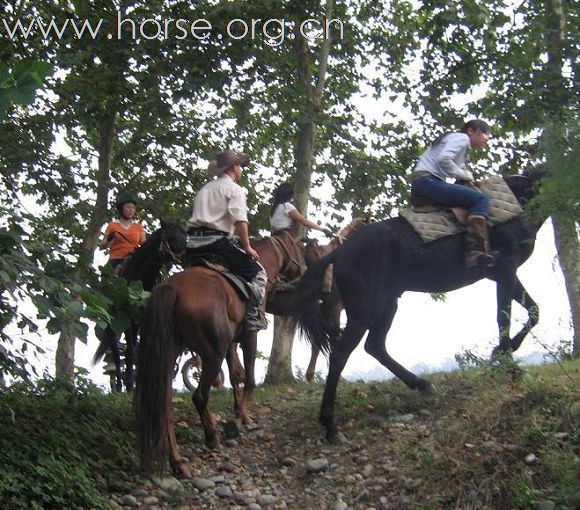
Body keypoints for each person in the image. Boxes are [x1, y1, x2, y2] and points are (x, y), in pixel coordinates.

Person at [185, 149, 267, 331]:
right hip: (217, 245)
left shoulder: (204, 189)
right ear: (233, 167)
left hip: (192, 245)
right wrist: (246, 246)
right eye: (240, 166)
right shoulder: (234, 189)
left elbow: (207, 219)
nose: (241, 170)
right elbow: (240, 221)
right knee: (260, 274)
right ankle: (251, 317)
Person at [410, 119, 495, 268]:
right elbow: (444, 159)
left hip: (426, 183)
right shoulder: (461, 138)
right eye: (484, 134)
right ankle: (476, 251)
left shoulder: (462, 148)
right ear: (471, 131)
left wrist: (464, 177)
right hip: (428, 182)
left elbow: (458, 174)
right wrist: (463, 174)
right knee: (481, 199)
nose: (486, 140)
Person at [99, 192, 146, 271]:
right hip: (115, 260)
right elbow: (102, 246)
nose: (131, 210)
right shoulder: (112, 225)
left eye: (133, 208)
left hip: (133, 260)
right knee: (107, 275)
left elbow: (144, 244)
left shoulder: (138, 227)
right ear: (121, 209)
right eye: (128, 207)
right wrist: (108, 240)